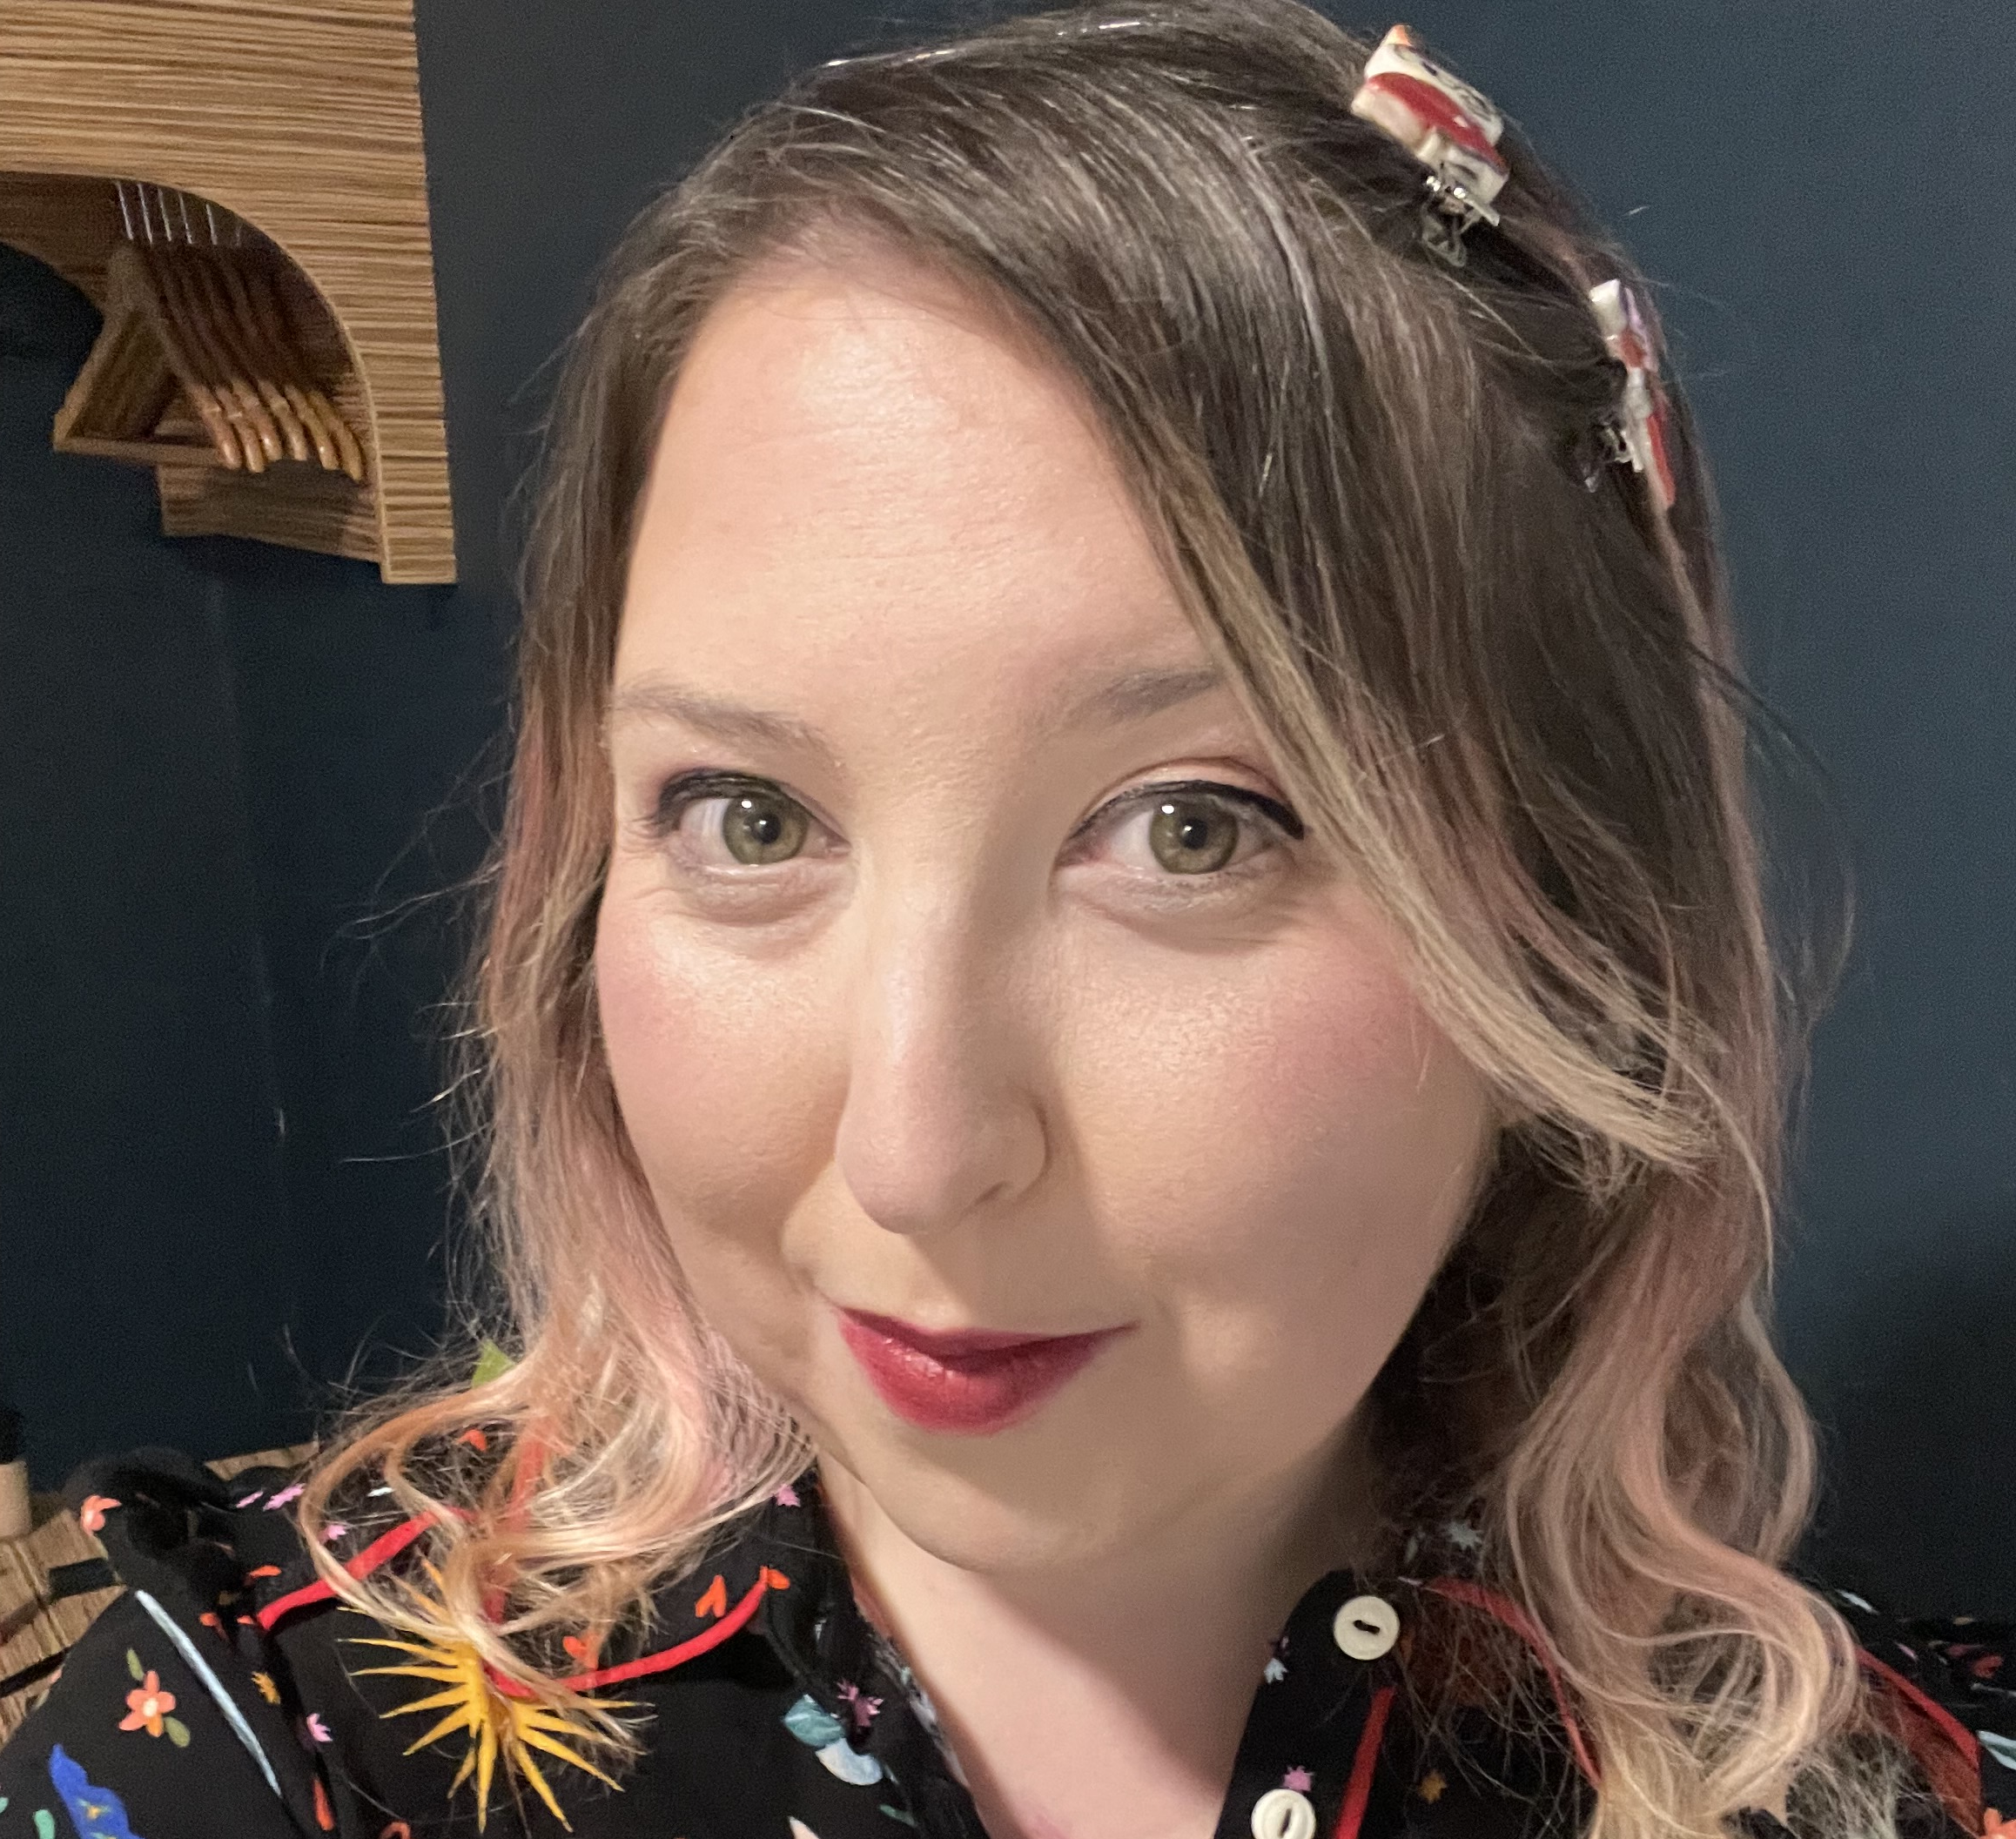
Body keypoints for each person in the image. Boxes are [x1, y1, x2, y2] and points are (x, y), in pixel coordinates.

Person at [2, 4, 2009, 1836]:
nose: (915, 1150)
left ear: (1580, 928)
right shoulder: (286, 1740)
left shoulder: (1876, 1802)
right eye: (750, 815)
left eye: (1196, 831)